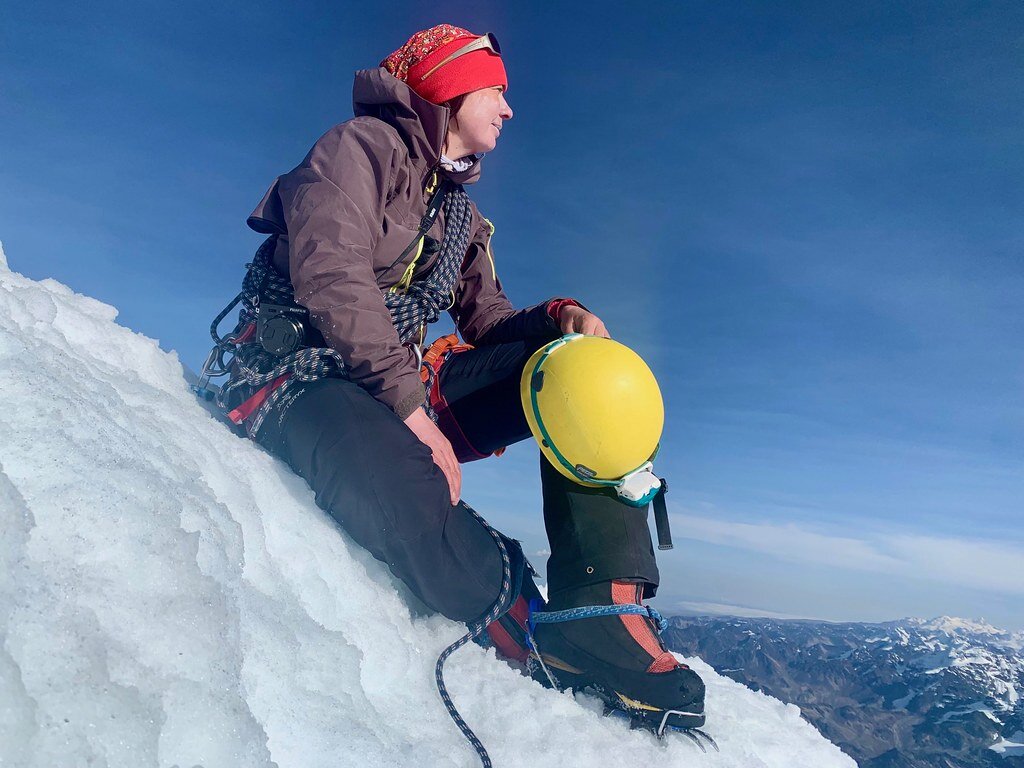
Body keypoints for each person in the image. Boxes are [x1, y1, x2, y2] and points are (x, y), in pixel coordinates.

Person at [215, 24, 705, 731]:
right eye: (497, 92)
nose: (509, 110)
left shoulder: (458, 217)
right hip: (299, 375)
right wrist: (415, 417)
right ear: (449, 87)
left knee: (583, 375)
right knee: (403, 483)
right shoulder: (358, 151)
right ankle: (522, 623)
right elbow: (329, 274)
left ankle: (603, 614)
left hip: (394, 384)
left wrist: (560, 318)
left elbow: (490, 323)